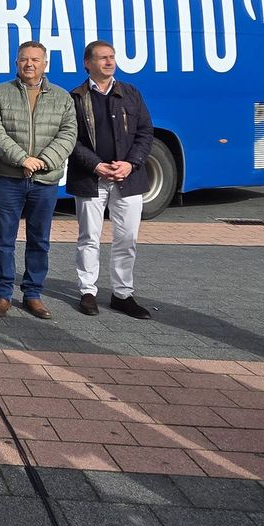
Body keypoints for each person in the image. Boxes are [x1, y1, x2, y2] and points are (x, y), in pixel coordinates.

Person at [0, 41, 77, 319]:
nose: (29, 64)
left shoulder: (62, 97)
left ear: (45, 64)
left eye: (36, 60)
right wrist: (23, 159)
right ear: (16, 63)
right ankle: (3, 294)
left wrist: (43, 161)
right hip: (8, 177)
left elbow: (68, 134)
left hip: (45, 181)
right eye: (24, 59)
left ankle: (33, 294)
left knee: (39, 240)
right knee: (4, 240)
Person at [67, 40, 154, 319]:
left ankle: (122, 294)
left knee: (127, 238)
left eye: (112, 57)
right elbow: (70, 139)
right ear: (87, 63)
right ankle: (87, 292)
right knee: (89, 237)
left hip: (128, 178)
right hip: (90, 178)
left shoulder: (130, 93)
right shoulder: (76, 97)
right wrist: (96, 165)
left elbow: (145, 133)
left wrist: (131, 164)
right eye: (103, 58)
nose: (109, 62)